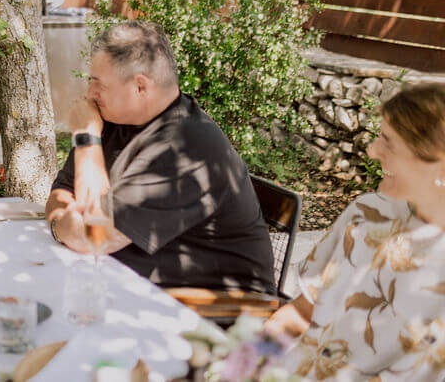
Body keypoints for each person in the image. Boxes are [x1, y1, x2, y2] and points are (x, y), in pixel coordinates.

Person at [45, 20, 275, 293]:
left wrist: (85, 137)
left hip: (211, 314)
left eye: (98, 84)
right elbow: (61, 192)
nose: (89, 93)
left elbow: (93, 237)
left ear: (140, 86)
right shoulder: (113, 118)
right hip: (124, 282)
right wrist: (63, 225)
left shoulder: (185, 147)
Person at [266, 83, 445, 381]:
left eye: (388, 142)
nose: (373, 151)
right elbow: (298, 314)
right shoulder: (367, 212)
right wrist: (240, 363)